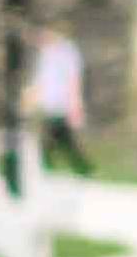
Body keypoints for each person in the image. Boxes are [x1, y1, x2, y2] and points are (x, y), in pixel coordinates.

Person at [23, 27, 92, 176]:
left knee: (56, 135)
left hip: (62, 103)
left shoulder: (67, 52)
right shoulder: (46, 53)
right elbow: (41, 79)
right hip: (48, 103)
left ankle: (56, 166)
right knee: (58, 136)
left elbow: (74, 80)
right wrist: (32, 97)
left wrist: (75, 104)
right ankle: (75, 167)